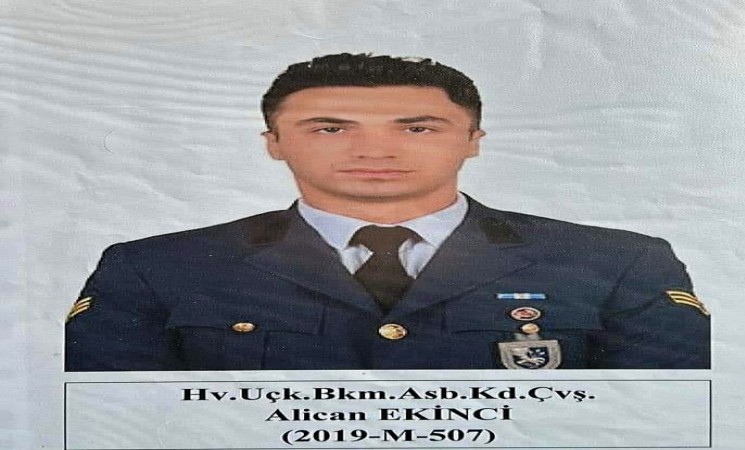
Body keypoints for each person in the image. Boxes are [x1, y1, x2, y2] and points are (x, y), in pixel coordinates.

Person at [65, 53, 710, 371]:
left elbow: (670, 423)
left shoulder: (616, 263)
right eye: (330, 128)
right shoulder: (156, 269)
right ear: (273, 142)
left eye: (417, 127)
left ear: (473, 140)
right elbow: (110, 428)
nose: (375, 150)